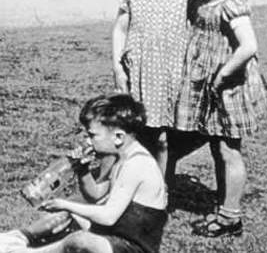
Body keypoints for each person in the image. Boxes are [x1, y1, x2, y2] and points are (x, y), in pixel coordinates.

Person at [173, 0, 267, 237]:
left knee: (228, 151)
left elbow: (248, 46)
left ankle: (230, 216)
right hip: (208, 86)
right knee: (218, 148)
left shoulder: (231, 4)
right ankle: (224, 205)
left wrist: (223, 74)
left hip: (226, 88)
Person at [17, 94, 168, 253]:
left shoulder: (136, 164)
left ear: (118, 137)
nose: (88, 141)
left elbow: (108, 217)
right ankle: (19, 238)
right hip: (116, 237)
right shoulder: (122, 158)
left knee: (81, 241)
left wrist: (65, 204)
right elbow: (95, 195)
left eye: (93, 135)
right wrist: (83, 170)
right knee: (67, 217)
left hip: (133, 247)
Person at [112, 0, 190, 182]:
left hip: (172, 70)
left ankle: (160, 188)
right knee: (137, 131)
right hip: (140, 70)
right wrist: (117, 68)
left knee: (165, 137)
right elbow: (121, 28)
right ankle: (131, 182)